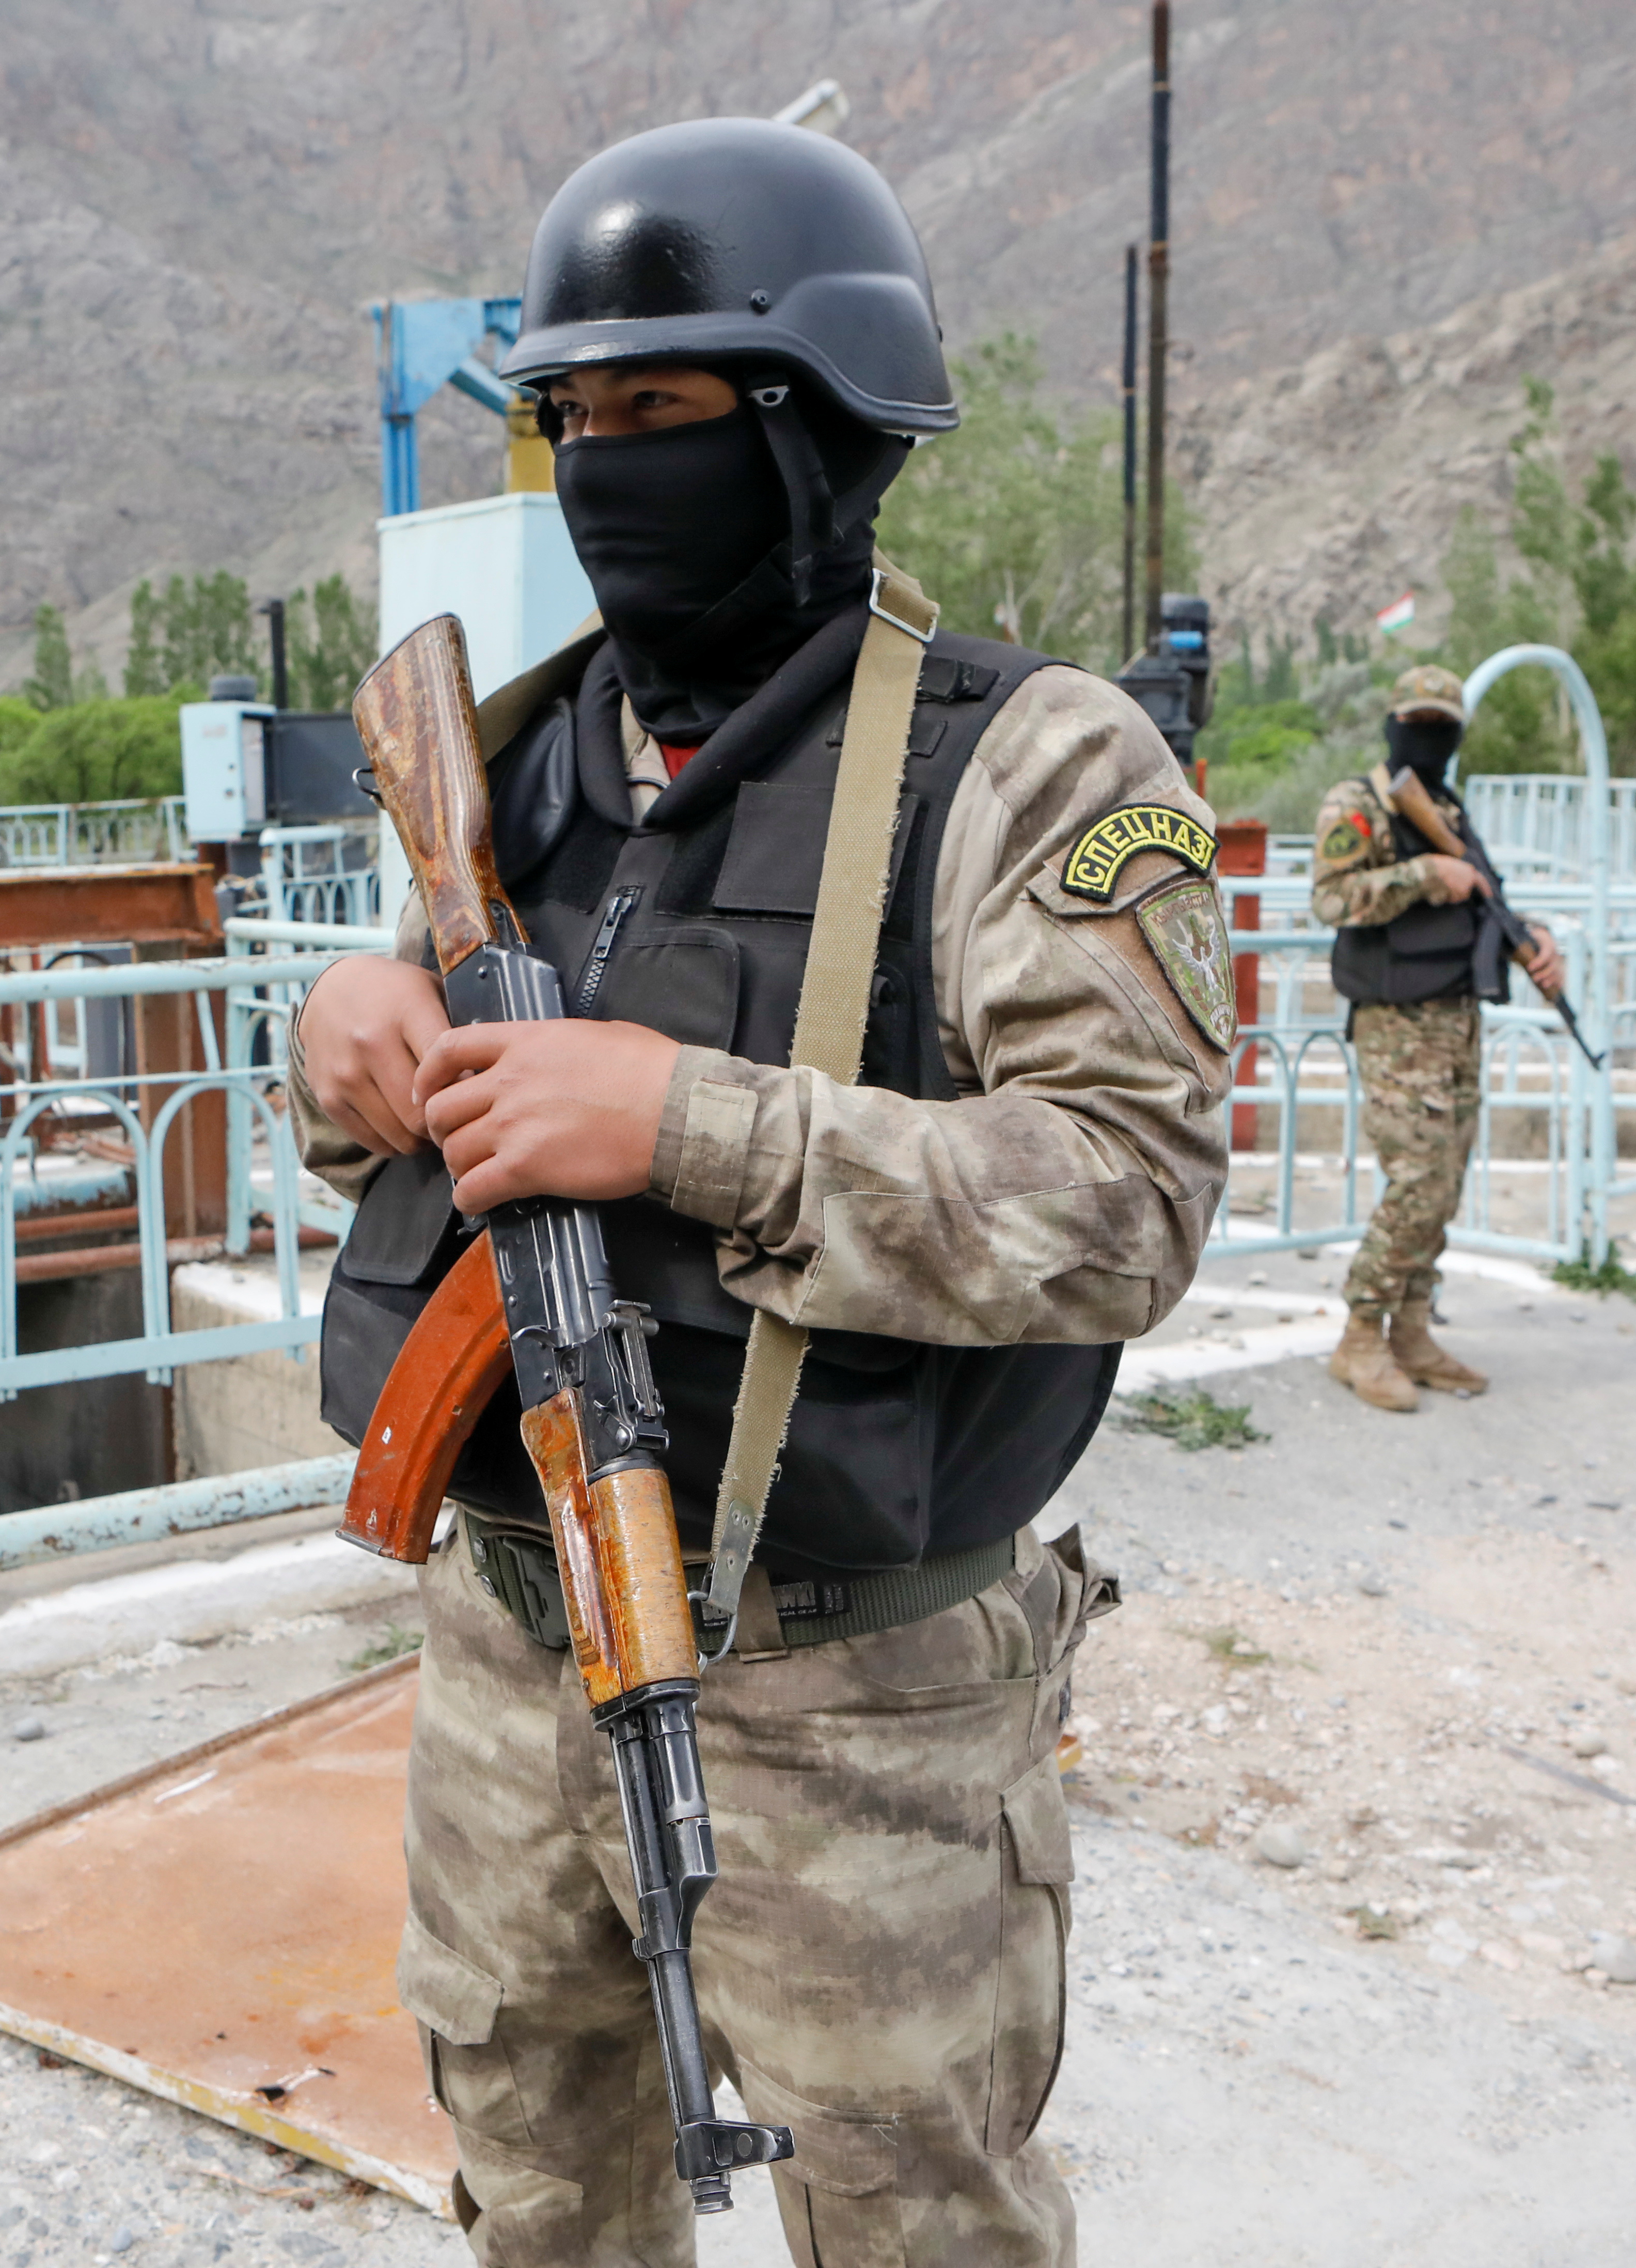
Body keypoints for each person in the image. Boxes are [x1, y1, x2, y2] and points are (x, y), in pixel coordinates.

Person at [287, 117, 1231, 2267]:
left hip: (852, 1704)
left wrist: (686, 1127)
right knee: (533, 2184)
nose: (608, 462)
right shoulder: (514, 756)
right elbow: (414, 1117)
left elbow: (1128, 1197)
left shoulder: (1029, 768)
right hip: (507, 1650)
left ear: (809, 431)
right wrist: (344, 1041)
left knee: (908, 2222)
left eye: (664, 411)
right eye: (575, 417)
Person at [1307, 663, 1566, 1413]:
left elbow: (1484, 897)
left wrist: (1531, 939)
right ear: (1391, 724)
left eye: (1441, 728)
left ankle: (1412, 1330)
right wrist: (1422, 874)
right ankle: (1360, 1335)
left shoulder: (1444, 803)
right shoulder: (1357, 803)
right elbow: (1330, 900)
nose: (1428, 739)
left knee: (1445, 1184)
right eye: (1415, 725)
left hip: (1455, 1020)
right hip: (1396, 1025)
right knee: (1416, 1182)